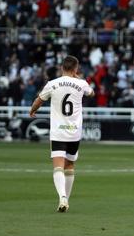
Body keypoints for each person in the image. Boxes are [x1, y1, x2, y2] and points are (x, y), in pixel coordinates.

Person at [28, 56, 94, 212]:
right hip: (74, 132)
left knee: (58, 166)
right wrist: (79, 79)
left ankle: (62, 197)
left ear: (61, 68)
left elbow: (39, 100)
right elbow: (91, 93)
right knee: (69, 165)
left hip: (58, 132)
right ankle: (65, 200)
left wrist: (32, 110)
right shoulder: (82, 83)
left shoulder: (52, 84)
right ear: (76, 68)